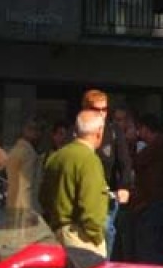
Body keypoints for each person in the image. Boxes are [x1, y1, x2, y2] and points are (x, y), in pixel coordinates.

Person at [39, 108, 110, 256]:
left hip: (57, 233)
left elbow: (43, 197)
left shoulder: (56, 157)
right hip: (81, 238)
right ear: (99, 132)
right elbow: (91, 207)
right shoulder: (89, 160)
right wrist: (96, 236)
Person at [82, 89, 134, 258]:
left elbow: (125, 163)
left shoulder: (113, 132)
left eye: (105, 110)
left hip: (106, 196)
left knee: (106, 231)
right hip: (82, 195)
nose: (102, 114)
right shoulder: (76, 132)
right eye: (97, 110)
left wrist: (124, 187)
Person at [129, 112, 163, 265]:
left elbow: (136, 163)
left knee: (148, 248)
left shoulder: (156, 147)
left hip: (151, 202)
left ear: (146, 129)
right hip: (160, 201)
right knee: (153, 245)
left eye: (140, 129)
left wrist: (130, 144)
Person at [4, 116, 44, 215]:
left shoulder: (15, 150)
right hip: (25, 209)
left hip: (12, 206)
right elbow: (29, 185)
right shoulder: (28, 154)